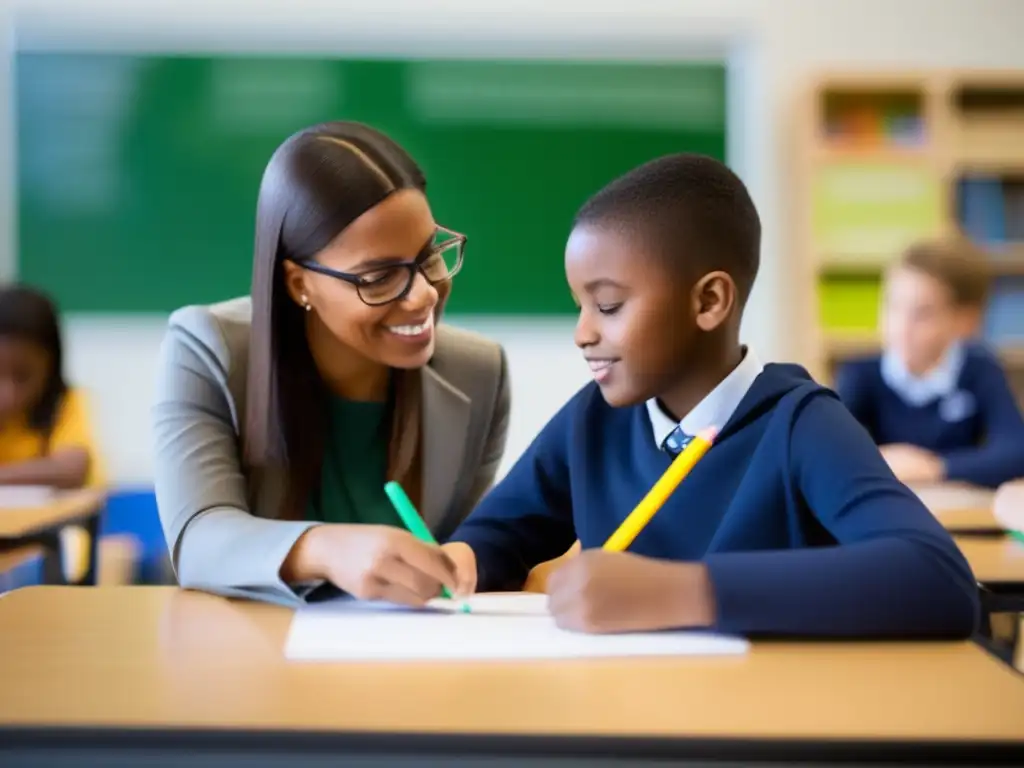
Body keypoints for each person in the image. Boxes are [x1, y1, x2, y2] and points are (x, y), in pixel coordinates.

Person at [442, 154, 979, 638]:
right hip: (624, 720)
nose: (583, 332)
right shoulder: (593, 419)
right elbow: (500, 533)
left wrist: (682, 592)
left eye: (607, 306)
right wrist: (460, 559)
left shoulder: (799, 424)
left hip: (757, 727)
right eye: (579, 306)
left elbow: (938, 579)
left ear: (710, 301)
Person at [152, 122, 509, 607]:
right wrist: (325, 548)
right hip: (252, 655)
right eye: (379, 277)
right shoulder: (207, 348)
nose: (424, 293)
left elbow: (464, 553)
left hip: (412, 662)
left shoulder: (480, 372)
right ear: (299, 283)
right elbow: (197, 541)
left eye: (429, 256)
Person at [836, 239, 1024, 489]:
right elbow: (831, 450)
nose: (901, 326)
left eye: (922, 314)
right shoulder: (860, 374)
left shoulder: (981, 371)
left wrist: (935, 467)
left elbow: (1015, 453)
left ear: (965, 321)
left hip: (958, 513)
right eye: (893, 306)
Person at [0, 284, 105, 580]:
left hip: (43, 555)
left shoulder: (66, 405)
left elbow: (73, 468)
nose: (7, 393)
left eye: (23, 375)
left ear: (51, 365)